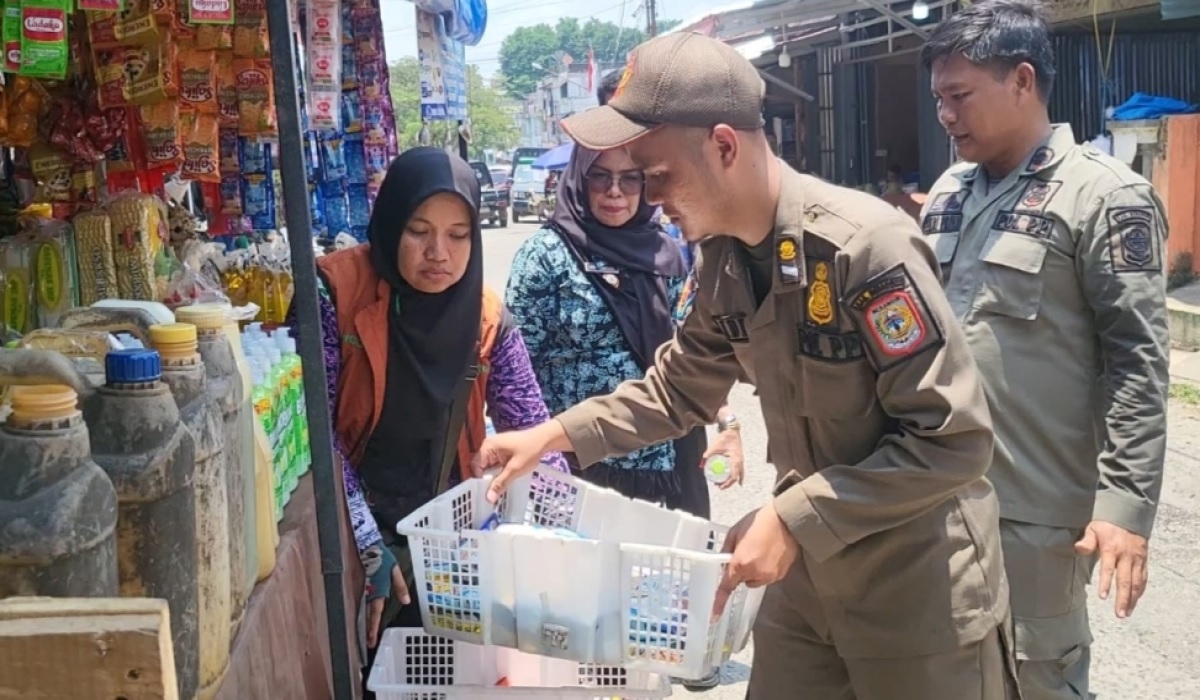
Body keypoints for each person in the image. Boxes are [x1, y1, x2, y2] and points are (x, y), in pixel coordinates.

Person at [478, 32, 1016, 699]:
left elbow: (954, 441)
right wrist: (550, 436)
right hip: (809, 583)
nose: (645, 197)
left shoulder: (865, 249)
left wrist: (791, 517)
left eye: (655, 173)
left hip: (917, 592)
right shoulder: (725, 261)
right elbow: (678, 389)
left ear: (724, 146)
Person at [921, 2, 1169, 698]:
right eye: (938, 98)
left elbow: (1137, 363)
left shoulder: (1105, 196)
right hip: (931, 498)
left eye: (959, 96)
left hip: (1033, 514)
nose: (945, 114)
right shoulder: (945, 194)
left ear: (1022, 80)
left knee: (1034, 677)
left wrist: (1122, 508)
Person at [291, 147, 567, 656]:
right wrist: (367, 546)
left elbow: (531, 427)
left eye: (458, 235)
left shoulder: (485, 317)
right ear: (391, 222)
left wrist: (560, 536)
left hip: (446, 533)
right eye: (419, 231)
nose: (438, 252)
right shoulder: (332, 293)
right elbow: (311, 431)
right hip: (351, 524)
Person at [506, 144, 745, 520]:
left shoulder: (664, 253)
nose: (614, 191)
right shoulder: (545, 256)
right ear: (579, 181)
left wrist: (727, 424)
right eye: (600, 176)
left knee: (671, 569)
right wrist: (539, 455)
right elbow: (516, 373)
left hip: (668, 458)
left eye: (630, 178)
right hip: (578, 464)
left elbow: (694, 354)